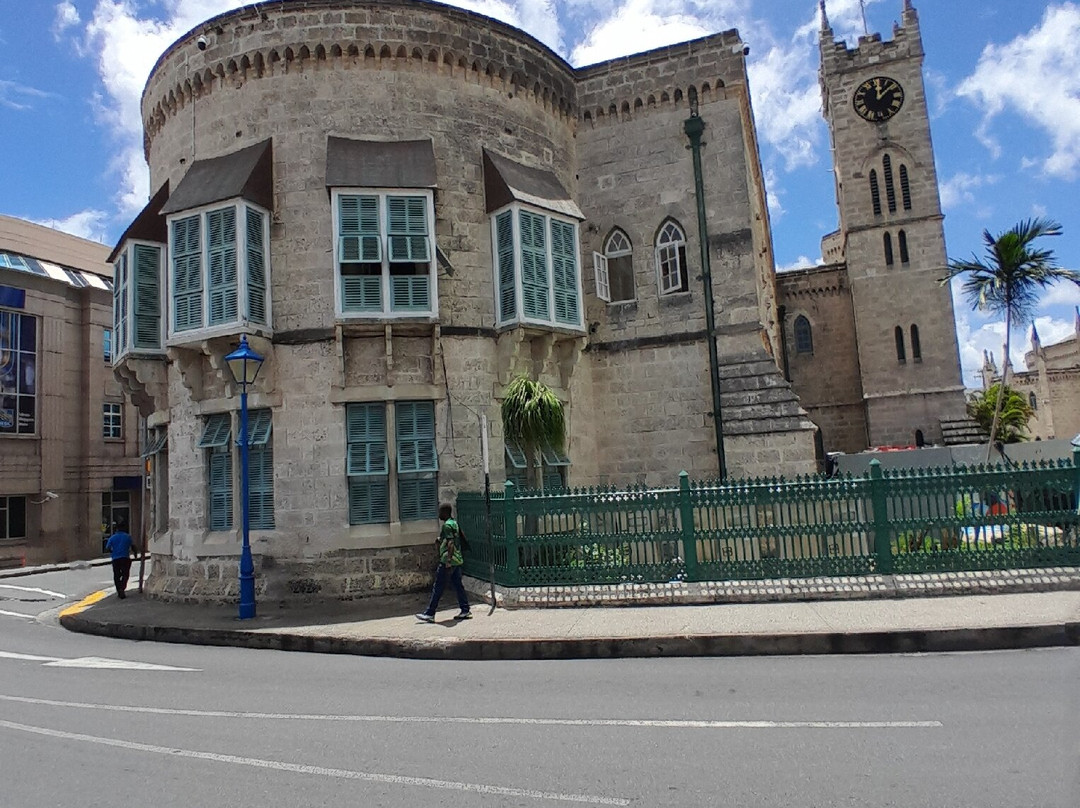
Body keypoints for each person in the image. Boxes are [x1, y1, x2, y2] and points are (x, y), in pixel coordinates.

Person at [416, 503, 471, 622]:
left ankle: (430, 613)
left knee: (438, 586)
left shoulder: (446, 526)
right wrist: (440, 540)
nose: (439, 514)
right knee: (458, 585)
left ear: (445, 512)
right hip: (457, 560)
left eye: (440, 512)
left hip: (448, 560)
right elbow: (453, 538)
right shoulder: (453, 523)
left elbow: (451, 543)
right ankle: (465, 610)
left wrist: (448, 561)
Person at [105, 519, 136, 599]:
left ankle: (119, 590)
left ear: (116, 529)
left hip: (115, 559)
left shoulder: (112, 538)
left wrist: (113, 552)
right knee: (125, 574)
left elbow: (107, 548)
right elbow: (133, 546)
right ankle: (122, 587)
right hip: (125, 558)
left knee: (116, 575)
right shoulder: (127, 537)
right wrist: (135, 554)